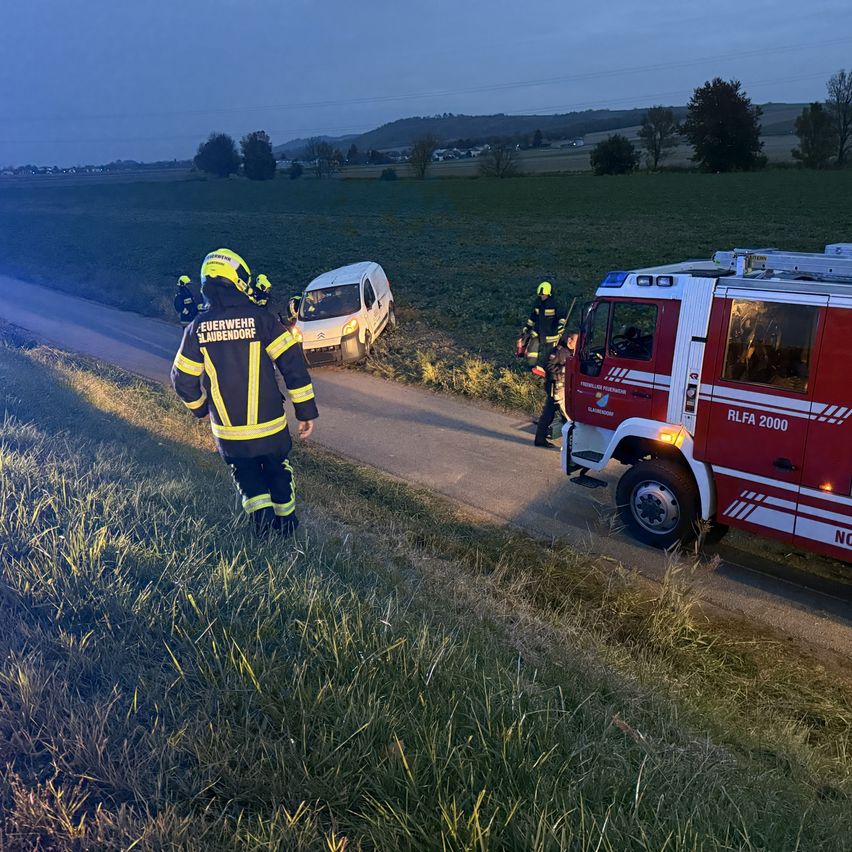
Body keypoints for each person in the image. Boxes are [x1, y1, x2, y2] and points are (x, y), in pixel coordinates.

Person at [171, 248, 318, 537]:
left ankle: (262, 529)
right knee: (277, 469)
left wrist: (200, 409)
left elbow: (181, 379)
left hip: (230, 435)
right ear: (239, 281)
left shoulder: (197, 328)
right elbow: (293, 365)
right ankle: (287, 527)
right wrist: (305, 411)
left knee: (246, 475)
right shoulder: (262, 320)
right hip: (270, 428)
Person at [534, 332, 577, 448]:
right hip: (555, 386)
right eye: (576, 341)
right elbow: (547, 365)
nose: (577, 345)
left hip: (562, 387)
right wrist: (564, 369)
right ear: (569, 340)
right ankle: (571, 445)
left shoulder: (571, 352)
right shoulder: (558, 351)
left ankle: (540, 438)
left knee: (549, 413)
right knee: (566, 416)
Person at [522, 281, 566, 367]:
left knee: (550, 354)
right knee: (532, 348)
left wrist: (560, 326)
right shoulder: (538, 304)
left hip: (551, 334)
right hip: (538, 332)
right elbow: (533, 317)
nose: (541, 296)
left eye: (543, 295)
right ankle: (531, 365)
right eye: (540, 295)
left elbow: (562, 317)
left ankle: (548, 369)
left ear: (548, 294)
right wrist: (527, 327)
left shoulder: (555, 304)